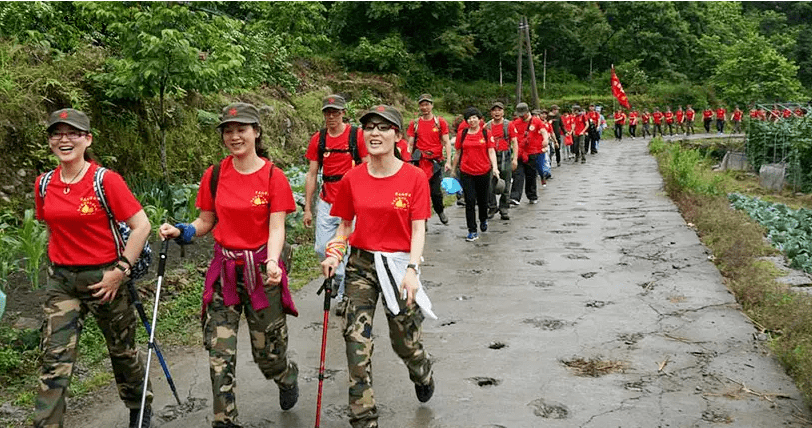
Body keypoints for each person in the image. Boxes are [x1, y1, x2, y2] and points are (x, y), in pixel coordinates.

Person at [159, 103, 299, 428]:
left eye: (241, 130)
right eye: (228, 131)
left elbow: (277, 228)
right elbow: (206, 220)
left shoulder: (273, 176)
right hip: (225, 273)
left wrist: (274, 261)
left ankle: (285, 375)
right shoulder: (215, 174)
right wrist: (184, 231)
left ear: (256, 132)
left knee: (268, 355)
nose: (234, 136)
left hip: (262, 272)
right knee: (219, 354)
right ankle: (225, 421)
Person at [34, 108, 153, 428]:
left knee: (122, 352)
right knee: (54, 359)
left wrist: (120, 270)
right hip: (62, 282)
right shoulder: (44, 184)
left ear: (87, 139)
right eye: (56, 134)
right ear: (50, 141)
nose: (64, 140)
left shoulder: (105, 180)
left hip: (105, 279)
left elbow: (141, 226)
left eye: (72, 133)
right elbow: (51, 227)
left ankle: (139, 404)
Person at [321, 104, 435, 428]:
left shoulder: (414, 177)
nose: (375, 133)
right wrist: (334, 254)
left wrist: (412, 270)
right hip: (361, 265)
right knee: (355, 341)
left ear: (397, 136)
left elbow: (418, 229)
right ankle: (364, 418)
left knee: (405, 342)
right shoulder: (352, 178)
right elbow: (344, 226)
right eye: (369, 127)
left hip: (399, 266)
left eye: (384, 127)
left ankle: (422, 369)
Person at [303, 95, 368, 316]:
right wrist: (308, 208)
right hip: (327, 201)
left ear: (343, 113)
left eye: (335, 112)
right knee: (322, 248)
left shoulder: (356, 136)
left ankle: (342, 296)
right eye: (328, 113)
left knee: (347, 249)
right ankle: (339, 279)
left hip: (352, 202)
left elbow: (368, 167)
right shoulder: (319, 139)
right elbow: (312, 174)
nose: (331, 117)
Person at [451, 107, 499, 241]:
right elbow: (458, 153)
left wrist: (495, 168)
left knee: (483, 200)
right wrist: (453, 169)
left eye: (474, 118)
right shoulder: (462, 134)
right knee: (470, 201)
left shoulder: (486, 133)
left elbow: (491, 151)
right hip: (466, 171)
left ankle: (483, 219)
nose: (471, 120)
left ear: (479, 119)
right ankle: (472, 230)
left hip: (484, 171)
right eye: (469, 118)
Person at [407, 93, 452, 225]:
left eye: (427, 104)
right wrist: (407, 160)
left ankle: (440, 210)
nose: (424, 107)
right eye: (422, 105)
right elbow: (410, 144)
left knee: (436, 192)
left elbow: (446, 142)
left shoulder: (439, 122)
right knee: (421, 193)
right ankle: (423, 220)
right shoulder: (415, 123)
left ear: (432, 105)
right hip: (419, 162)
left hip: (435, 162)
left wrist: (448, 161)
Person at [485, 102, 518, 221]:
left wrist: (515, 159)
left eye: (499, 110)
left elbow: (514, 142)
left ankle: (504, 208)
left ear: (503, 112)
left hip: (505, 156)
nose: (497, 112)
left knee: (506, 183)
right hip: (490, 156)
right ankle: (492, 206)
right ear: (491, 113)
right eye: (494, 110)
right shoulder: (487, 126)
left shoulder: (509, 125)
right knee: (489, 183)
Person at [510, 102, 547, 202]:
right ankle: (515, 197)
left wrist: (545, 139)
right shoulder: (516, 123)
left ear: (527, 112)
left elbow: (543, 131)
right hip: (519, 152)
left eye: (523, 114)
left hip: (532, 152)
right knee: (518, 174)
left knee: (531, 175)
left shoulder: (536, 121)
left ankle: (532, 196)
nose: (522, 116)